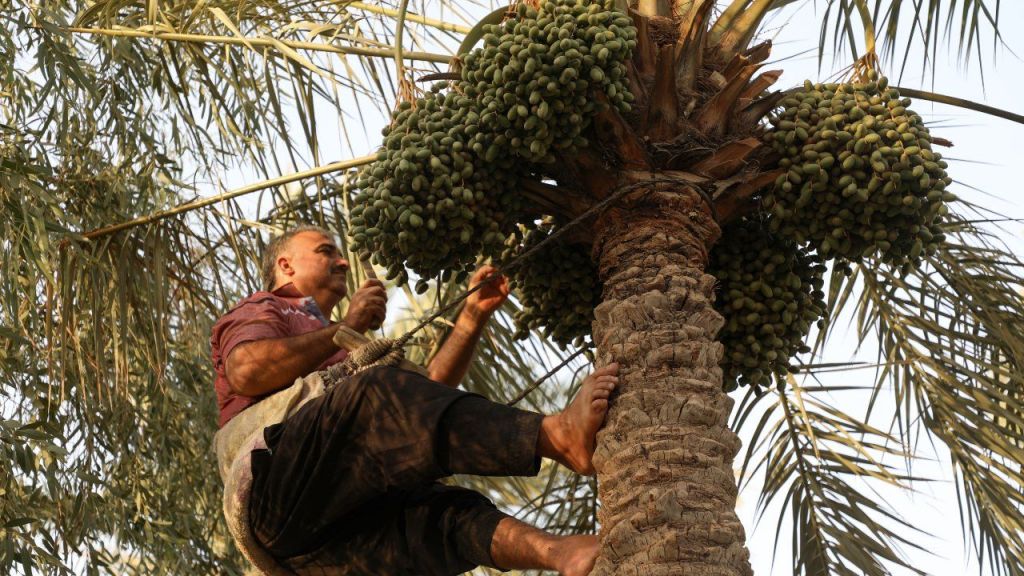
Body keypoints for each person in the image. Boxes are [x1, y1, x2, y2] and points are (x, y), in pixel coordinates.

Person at [210, 225, 618, 576]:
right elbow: (247, 371)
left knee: (445, 518)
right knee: (378, 394)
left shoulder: (338, 352)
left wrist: (472, 316)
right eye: (326, 252)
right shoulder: (266, 307)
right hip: (271, 489)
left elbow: (421, 401)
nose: (341, 263)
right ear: (286, 266)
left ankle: (562, 555)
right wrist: (346, 327)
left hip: (313, 552)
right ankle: (557, 437)